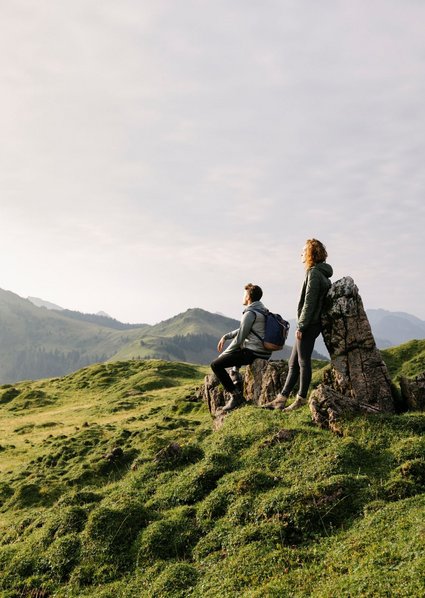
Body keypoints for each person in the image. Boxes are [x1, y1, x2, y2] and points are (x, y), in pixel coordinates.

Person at [263, 238, 333, 411]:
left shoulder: (314, 273)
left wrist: (301, 326)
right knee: (293, 362)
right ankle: (281, 398)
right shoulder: (320, 273)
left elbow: (309, 302)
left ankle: (301, 398)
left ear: (311, 253)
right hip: (312, 323)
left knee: (303, 362)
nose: (301, 254)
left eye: (303, 250)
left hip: (309, 324)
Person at [211, 283, 272, 412]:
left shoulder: (250, 313)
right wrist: (226, 336)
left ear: (248, 296)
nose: (243, 296)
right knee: (237, 352)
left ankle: (236, 396)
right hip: (264, 351)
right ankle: (235, 377)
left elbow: (240, 338)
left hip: (253, 352)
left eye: (244, 294)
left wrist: (224, 354)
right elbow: (244, 329)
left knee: (216, 365)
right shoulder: (262, 310)